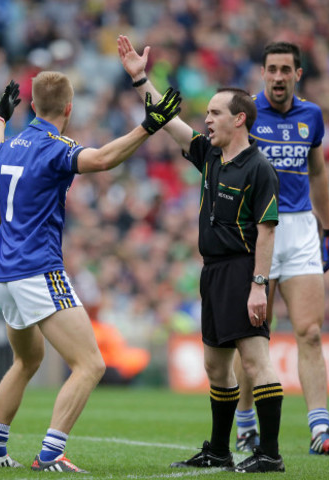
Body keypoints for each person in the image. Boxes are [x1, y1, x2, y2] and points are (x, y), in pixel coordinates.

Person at [0, 74, 181, 471]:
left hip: (5, 273)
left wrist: (0, 115)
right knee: (91, 364)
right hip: (38, 268)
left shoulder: (10, 146)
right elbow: (103, 158)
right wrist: (149, 126)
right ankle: (51, 454)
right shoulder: (57, 148)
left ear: (33, 106)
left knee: (27, 361)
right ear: (69, 108)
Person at [118, 35, 285, 474]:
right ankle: (219, 449)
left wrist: (259, 286)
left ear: (240, 119)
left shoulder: (259, 168)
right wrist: (140, 78)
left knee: (255, 361)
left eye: (214, 113)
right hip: (212, 271)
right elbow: (168, 120)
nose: (206, 120)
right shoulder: (211, 154)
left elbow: (267, 232)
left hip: (243, 269)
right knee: (215, 365)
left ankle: (269, 453)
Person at [233, 41, 329, 456]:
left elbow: (317, 173)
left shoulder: (312, 116)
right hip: (257, 229)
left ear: (298, 74)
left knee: (310, 332)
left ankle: (320, 429)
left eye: (286, 69)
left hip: (299, 229)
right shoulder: (247, 113)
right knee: (252, 337)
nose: (278, 76)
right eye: (271, 69)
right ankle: (245, 426)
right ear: (262, 73)